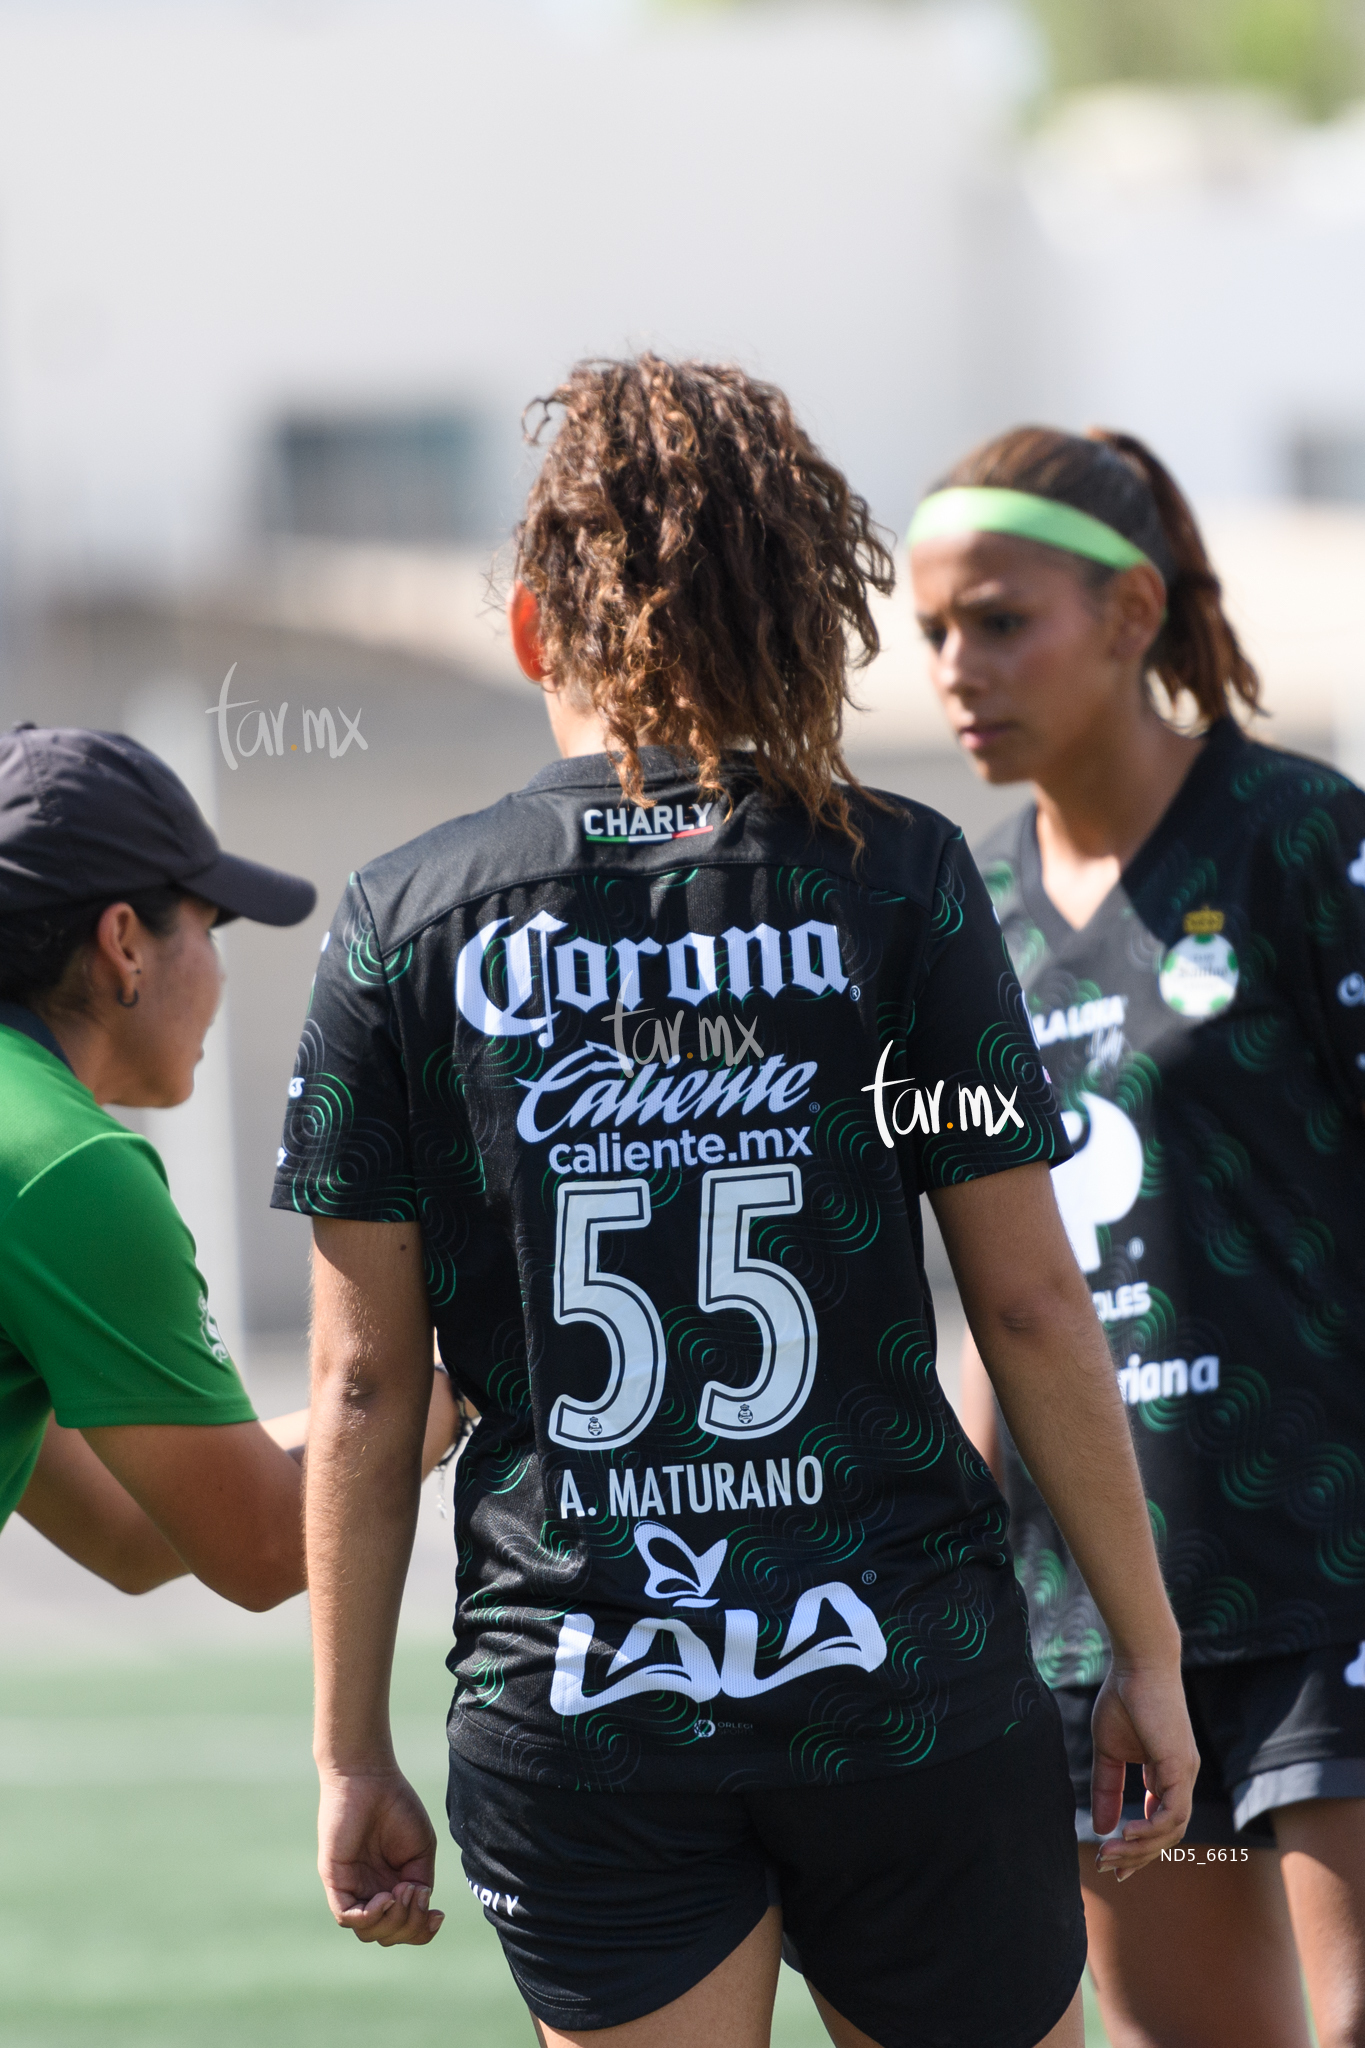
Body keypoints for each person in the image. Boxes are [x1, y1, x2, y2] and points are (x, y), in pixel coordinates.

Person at [280, 356, 1195, 2048]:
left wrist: (350, 1750)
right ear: (796, 613)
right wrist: (1145, 1649)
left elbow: (358, 1384)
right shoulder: (902, 881)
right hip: (903, 1679)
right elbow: (1029, 1301)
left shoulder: (405, 919)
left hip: (581, 1695)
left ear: (535, 628)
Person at [907, 427, 1365, 2048]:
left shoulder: (1309, 842)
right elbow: (1005, 1295)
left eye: (1000, 619)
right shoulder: (958, 913)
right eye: (933, 631)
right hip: (1095, 1602)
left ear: (1131, 612)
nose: (958, 666)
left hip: (1332, 1569)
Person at [0, 723, 455, 1606]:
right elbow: (261, 1545)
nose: (219, 973)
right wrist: (473, 1375)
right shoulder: (62, 1164)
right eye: (212, 927)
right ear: (125, 943)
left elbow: (130, 1532)